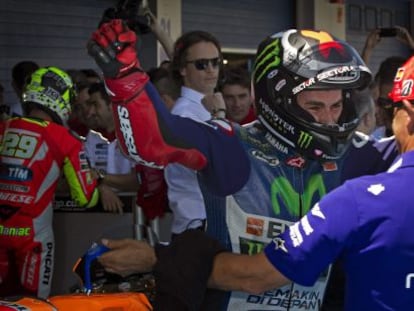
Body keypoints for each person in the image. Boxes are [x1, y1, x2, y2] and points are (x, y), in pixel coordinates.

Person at [88, 22, 397, 310]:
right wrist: (125, 76)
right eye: (315, 106)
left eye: (336, 105)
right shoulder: (231, 143)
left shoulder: (359, 153)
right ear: (276, 99)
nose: (329, 119)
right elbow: (152, 140)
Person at [0, 66, 100, 298]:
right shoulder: (66, 140)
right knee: (35, 304)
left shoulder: (4, 128)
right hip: (33, 241)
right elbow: (86, 198)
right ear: (60, 98)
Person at [164, 30, 223, 236]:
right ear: (183, 69)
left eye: (216, 62)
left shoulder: (203, 107)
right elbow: (222, 166)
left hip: (210, 222)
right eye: (201, 64)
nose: (211, 70)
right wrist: (220, 116)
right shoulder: (184, 114)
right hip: (198, 224)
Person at [84, 82, 139, 214]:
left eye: (95, 105)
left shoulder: (135, 133)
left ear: (112, 105)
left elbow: (137, 181)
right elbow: (84, 176)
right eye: (89, 105)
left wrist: (101, 179)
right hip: (99, 214)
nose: (90, 112)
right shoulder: (92, 137)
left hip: (135, 213)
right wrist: (102, 187)